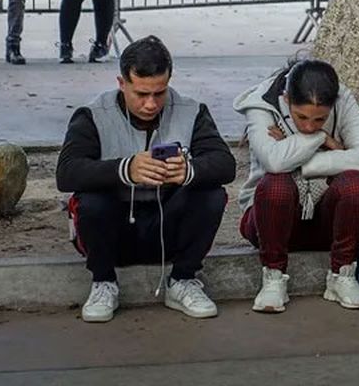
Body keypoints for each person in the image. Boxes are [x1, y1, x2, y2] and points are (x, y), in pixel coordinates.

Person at [56, 36, 235, 322]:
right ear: (121, 83)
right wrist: (124, 170)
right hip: (114, 230)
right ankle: (103, 282)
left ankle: (183, 280)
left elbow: (226, 165)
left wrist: (188, 171)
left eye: (159, 93)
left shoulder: (192, 110)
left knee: (211, 193)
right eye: (141, 94)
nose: (151, 104)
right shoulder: (92, 114)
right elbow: (66, 173)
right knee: (89, 200)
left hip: (169, 227)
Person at [234, 59, 359, 314]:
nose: (309, 126)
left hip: (324, 220)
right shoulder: (262, 103)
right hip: (268, 220)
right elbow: (274, 161)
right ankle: (273, 277)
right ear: (287, 98)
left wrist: (296, 153)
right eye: (301, 117)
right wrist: (323, 139)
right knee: (276, 182)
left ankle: (342, 275)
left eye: (320, 120)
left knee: (356, 186)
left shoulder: (343, 100)